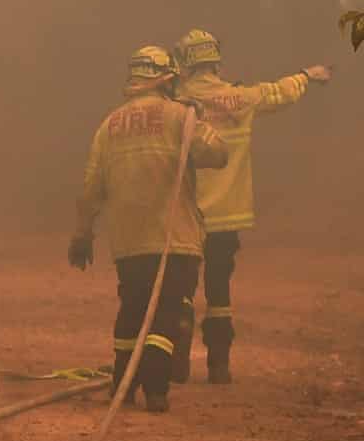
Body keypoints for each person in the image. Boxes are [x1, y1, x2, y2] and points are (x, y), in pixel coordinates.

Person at [69, 46, 228, 413]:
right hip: (175, 238)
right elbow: (218, 155)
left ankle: (123, 387)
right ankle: (156, 389)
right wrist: (198, 117)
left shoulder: (109, 125)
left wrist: (82, 235)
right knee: (166, 313)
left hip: (128, 241)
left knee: (133, 309)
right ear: (168, 79)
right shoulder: (180, 117)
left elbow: (91, 187)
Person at [171, 29, 330, 384]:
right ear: (215, 61)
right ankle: (218, 365)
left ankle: (176, 361)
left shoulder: (174, 103)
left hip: (185, 216)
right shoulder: (241, 98)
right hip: (227, 216)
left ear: (184, 64)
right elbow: (278, 92)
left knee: (180, 287)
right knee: (218, 291)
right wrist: (308, 75)